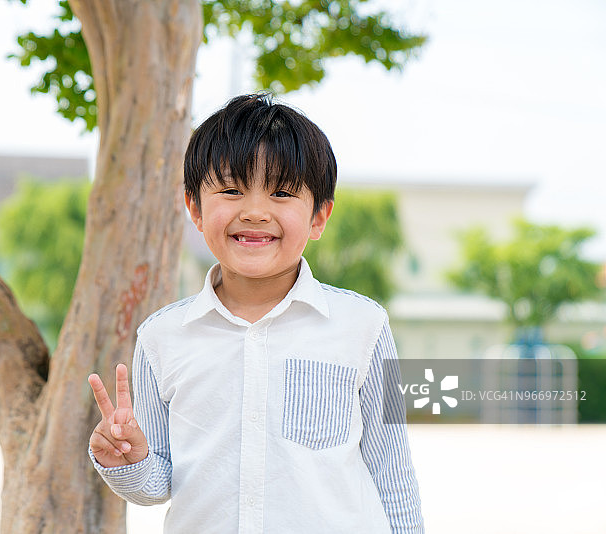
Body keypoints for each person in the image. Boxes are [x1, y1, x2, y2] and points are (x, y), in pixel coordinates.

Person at [87, 93, 424, 533]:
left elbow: (391, 473)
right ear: (194, 207)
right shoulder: (162, 337)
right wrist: (129, 461)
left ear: (319, 216)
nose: (255, 212)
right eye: (230, 190)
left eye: (282, 193)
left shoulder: (362, 326)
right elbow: (161, 482)